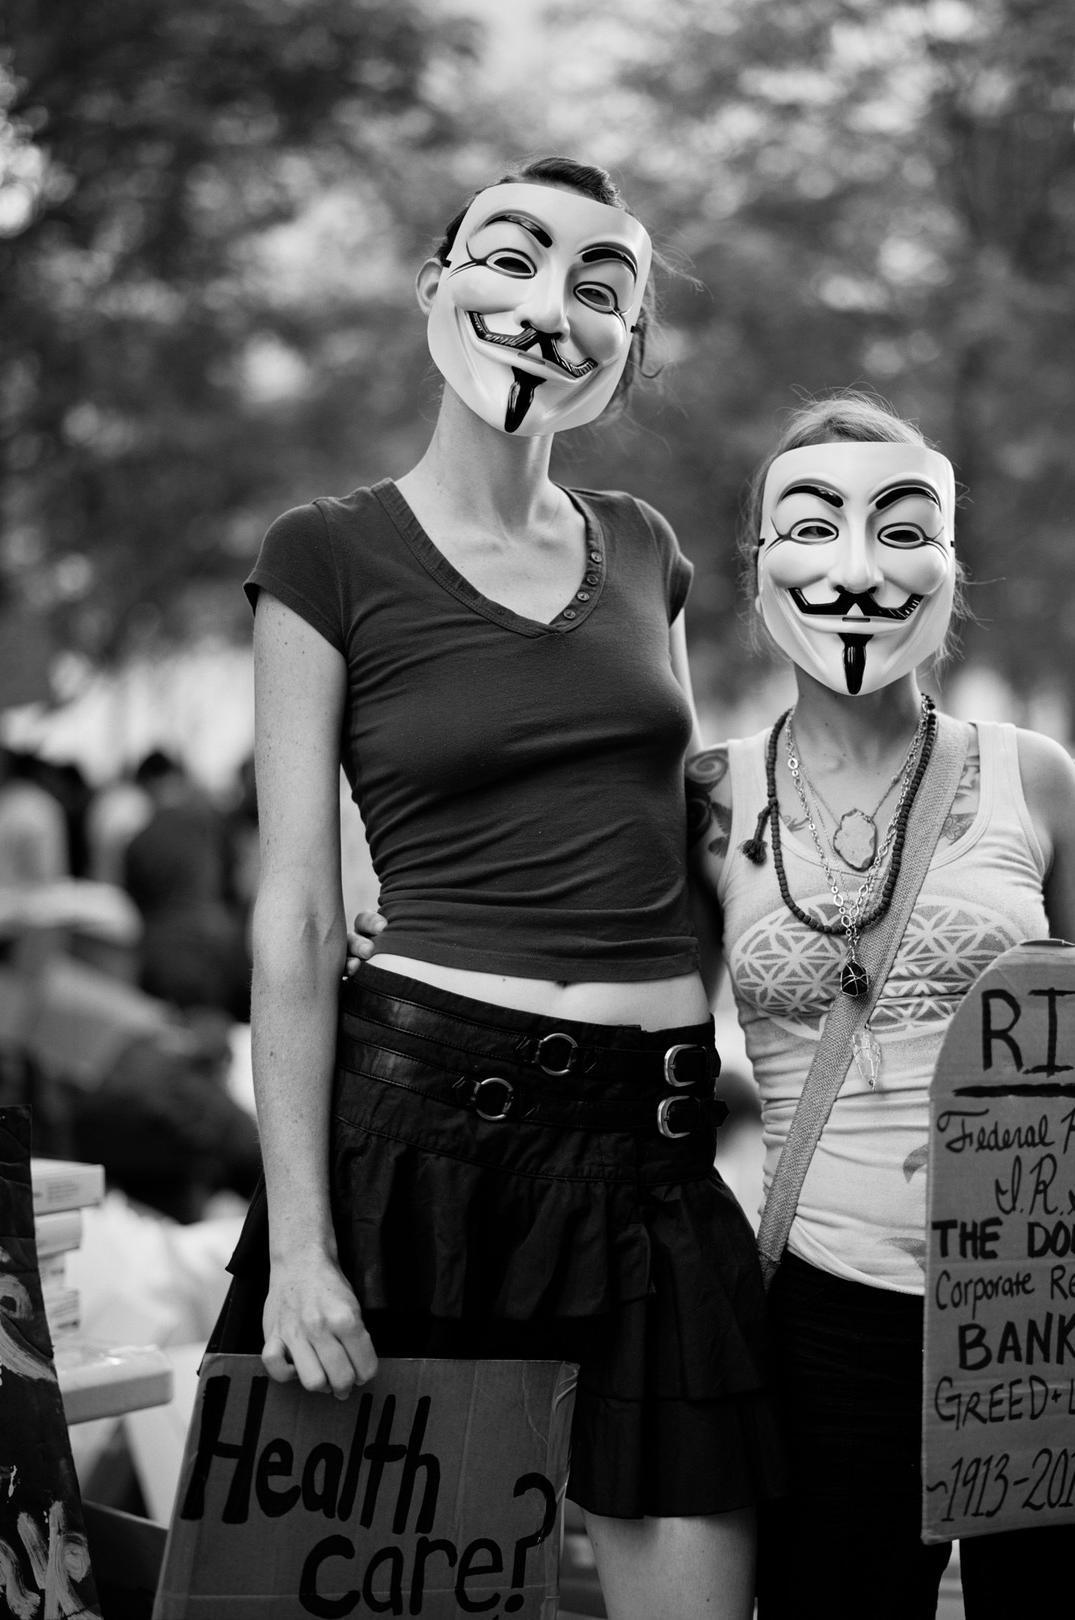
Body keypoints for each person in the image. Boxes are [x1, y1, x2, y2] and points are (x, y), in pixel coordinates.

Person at [212, 157, 783, 1620]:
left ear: (630, 344)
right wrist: (298, 1249)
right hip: (420, 1141)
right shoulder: (324, 555)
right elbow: (290, 905)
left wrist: (982, 792)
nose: (552, 308)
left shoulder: (645, 550)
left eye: (603, 290)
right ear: (436, 287)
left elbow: (696, 808)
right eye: (513, 260)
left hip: (647, 1139)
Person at [678, 395, 1075, 1618]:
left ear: (947, 572)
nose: (856, 570)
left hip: (1048, 1298)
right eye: (811, 528)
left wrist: (1050, 1027)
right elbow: (645, 1029)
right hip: (824, 1321)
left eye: (902, 531)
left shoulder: (1033, 776)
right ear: (759, 568)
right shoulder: (705, 801)